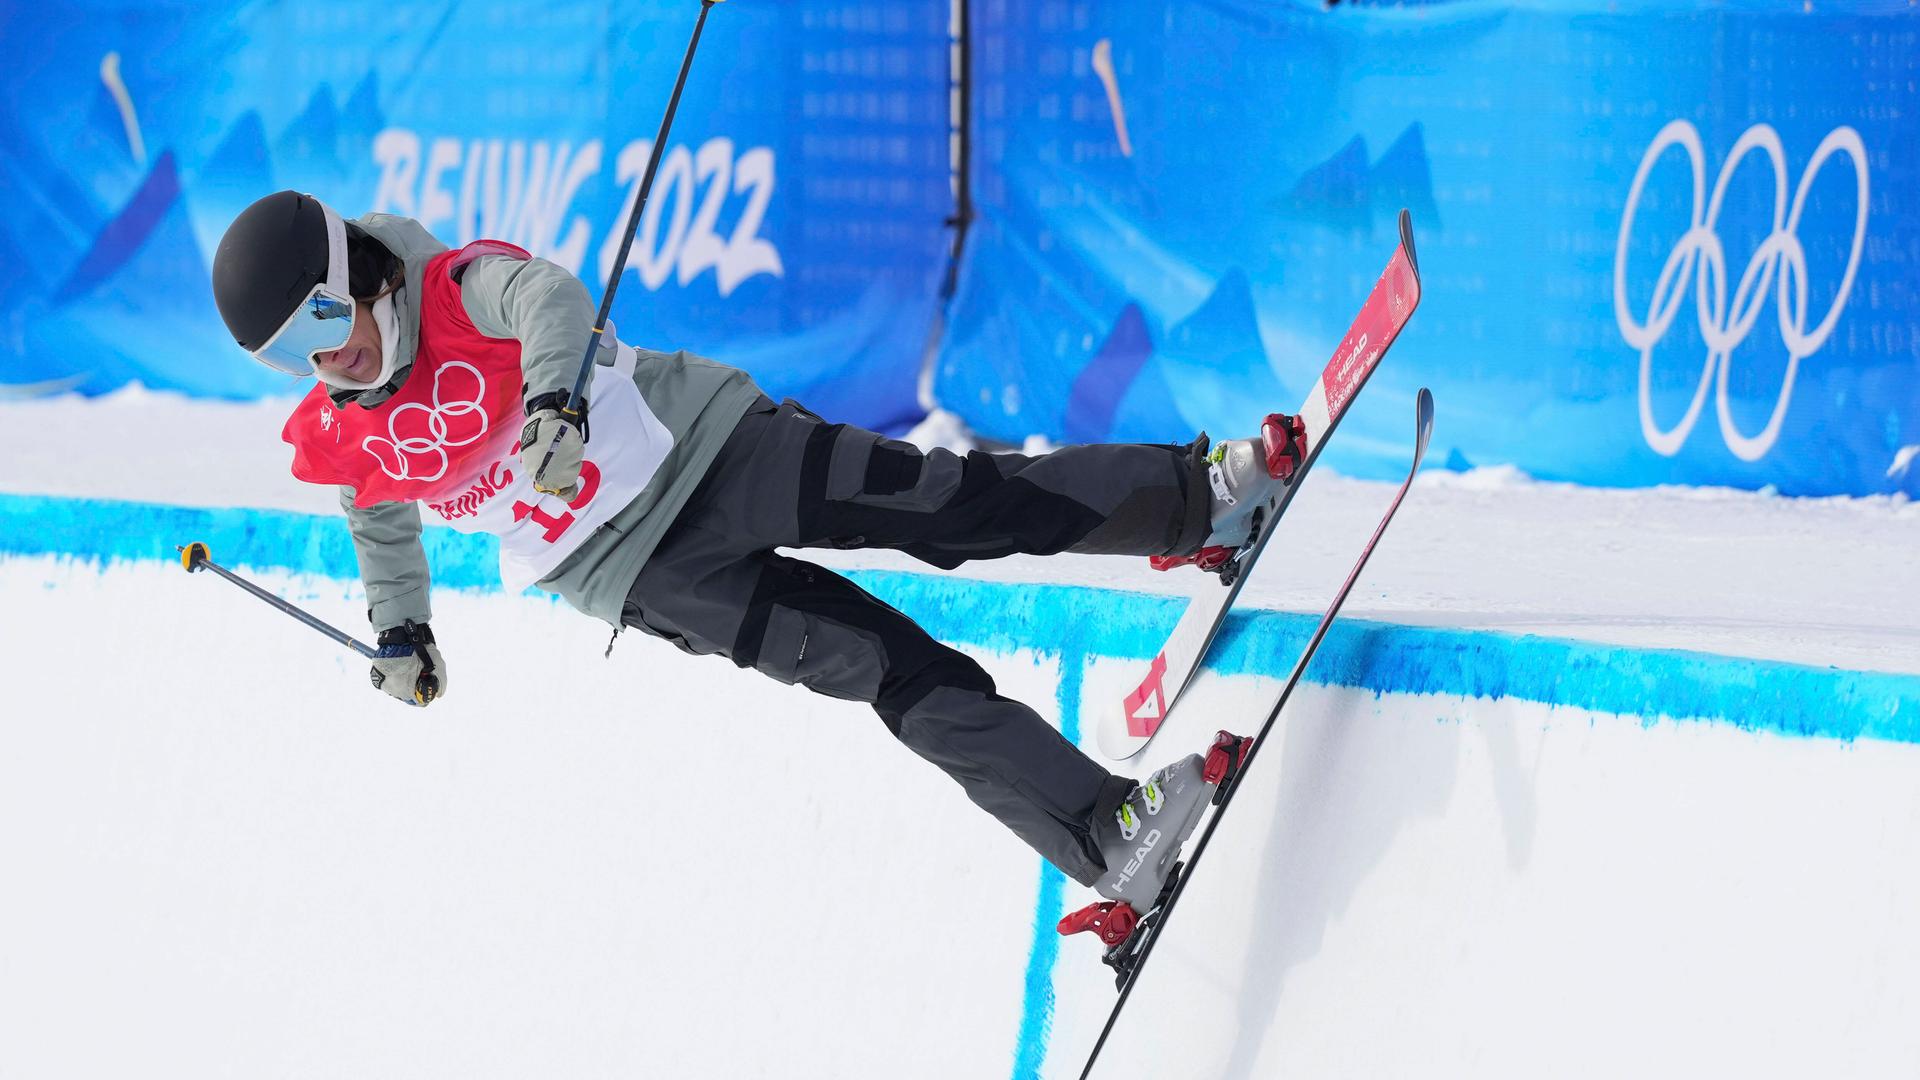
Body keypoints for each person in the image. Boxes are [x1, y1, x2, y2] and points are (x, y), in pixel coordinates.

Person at [208, 190, 1297, 936]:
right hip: (644, 577)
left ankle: (1194, 500)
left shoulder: (451, 288)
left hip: (722, 449)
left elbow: (545, 296)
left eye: (322, 315)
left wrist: (553, 401)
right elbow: (377, 514)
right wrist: (401, 629)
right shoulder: (344, 422)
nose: (328, 355)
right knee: (892, 670)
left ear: (354, 269)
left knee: (952, 507)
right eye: (289, 354)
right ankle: (1107, 840)